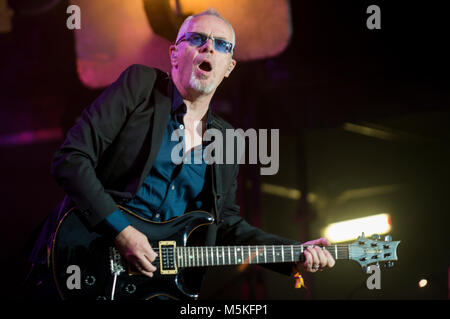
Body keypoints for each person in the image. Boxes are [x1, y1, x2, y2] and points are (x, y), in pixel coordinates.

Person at [26, 9, 334, 299]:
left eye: (222, 44)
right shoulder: (140, 88)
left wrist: (295, 251)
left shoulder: (226, 138)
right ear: (175, 54)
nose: (208, 48)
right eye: (198, 39)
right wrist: (122, 231)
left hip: (150, 286)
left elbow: (226, 224)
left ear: (228, 67)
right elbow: (71, 159)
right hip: (83, 256)